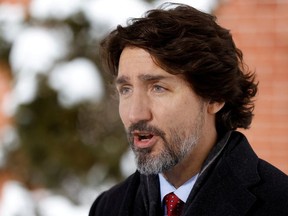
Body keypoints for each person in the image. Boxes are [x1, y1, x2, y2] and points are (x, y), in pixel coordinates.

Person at [89, 3, 288, 216]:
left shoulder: (279, 203)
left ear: (215, 96)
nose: (135, 114)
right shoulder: (108, 207)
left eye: (158, 88)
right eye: (126, 90)